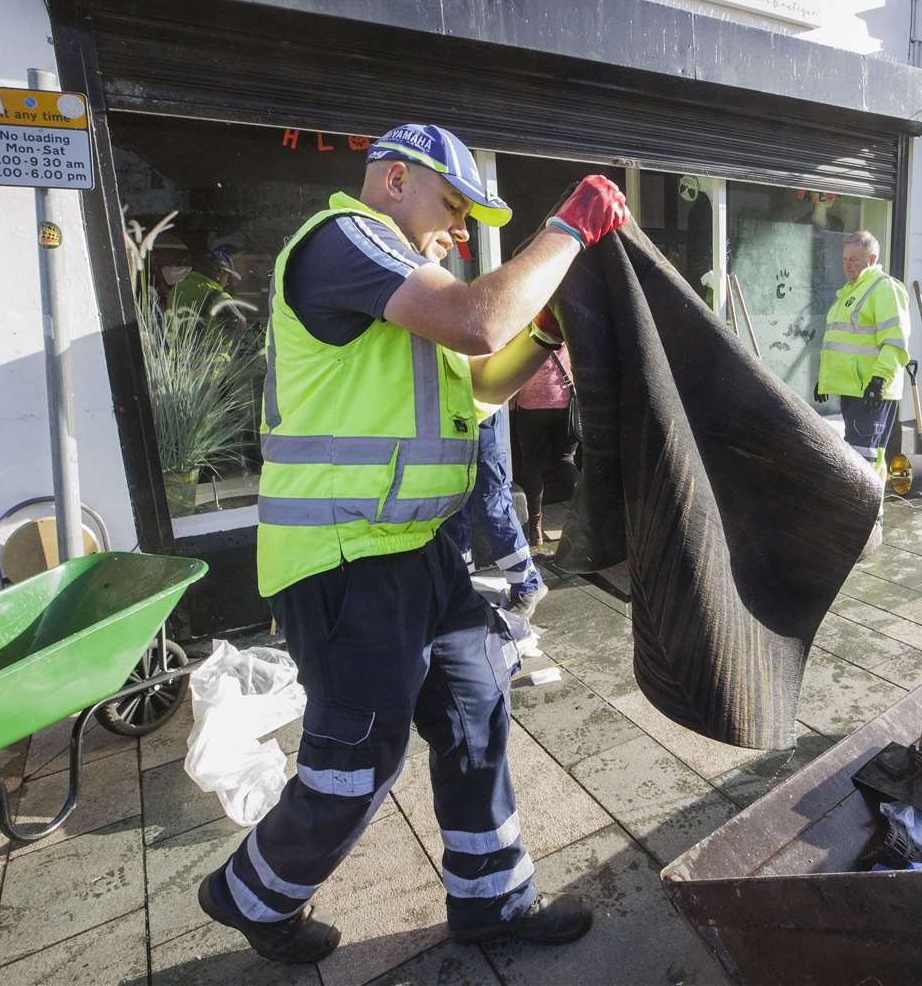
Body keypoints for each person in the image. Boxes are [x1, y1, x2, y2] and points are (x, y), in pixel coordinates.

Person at [196, 123, 629, 963]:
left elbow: (478, 380)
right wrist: (569, 228)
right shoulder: (343, 240)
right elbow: (475, 322)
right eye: (454, 204)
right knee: (357, 762)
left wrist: (538, 337)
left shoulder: (400, 281)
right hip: (344, 560)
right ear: (394, 180)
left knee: (475, 715)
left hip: (424, 553)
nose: (462, 229)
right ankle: (248, 894)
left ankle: (493, 902)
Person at [813, 231, 910, 535]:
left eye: (853, 259)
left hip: (871, 389)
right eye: (844, 259)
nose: (847, 265)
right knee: (864, 455)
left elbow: (895, 343)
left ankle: (866, 521)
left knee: (865, 457)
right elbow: (841, 342)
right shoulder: (850, 292)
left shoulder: (883, 289)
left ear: (872, 258)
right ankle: (867, 517)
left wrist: (878, 380)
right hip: (854, 389)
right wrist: (824, 379)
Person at [439, 401, 548, 618]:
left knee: (493, 506)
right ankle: (462, 588)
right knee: (454, 508)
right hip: (449, 422)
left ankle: (528, 585)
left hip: (479, 421)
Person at [510, 349, 579, 546]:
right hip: (565, 399)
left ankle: (535, 530)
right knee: (566, 460)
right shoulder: (566, 323)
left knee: (532, 464)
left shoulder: (527, 323)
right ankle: (585, 519)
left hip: (531, 401)